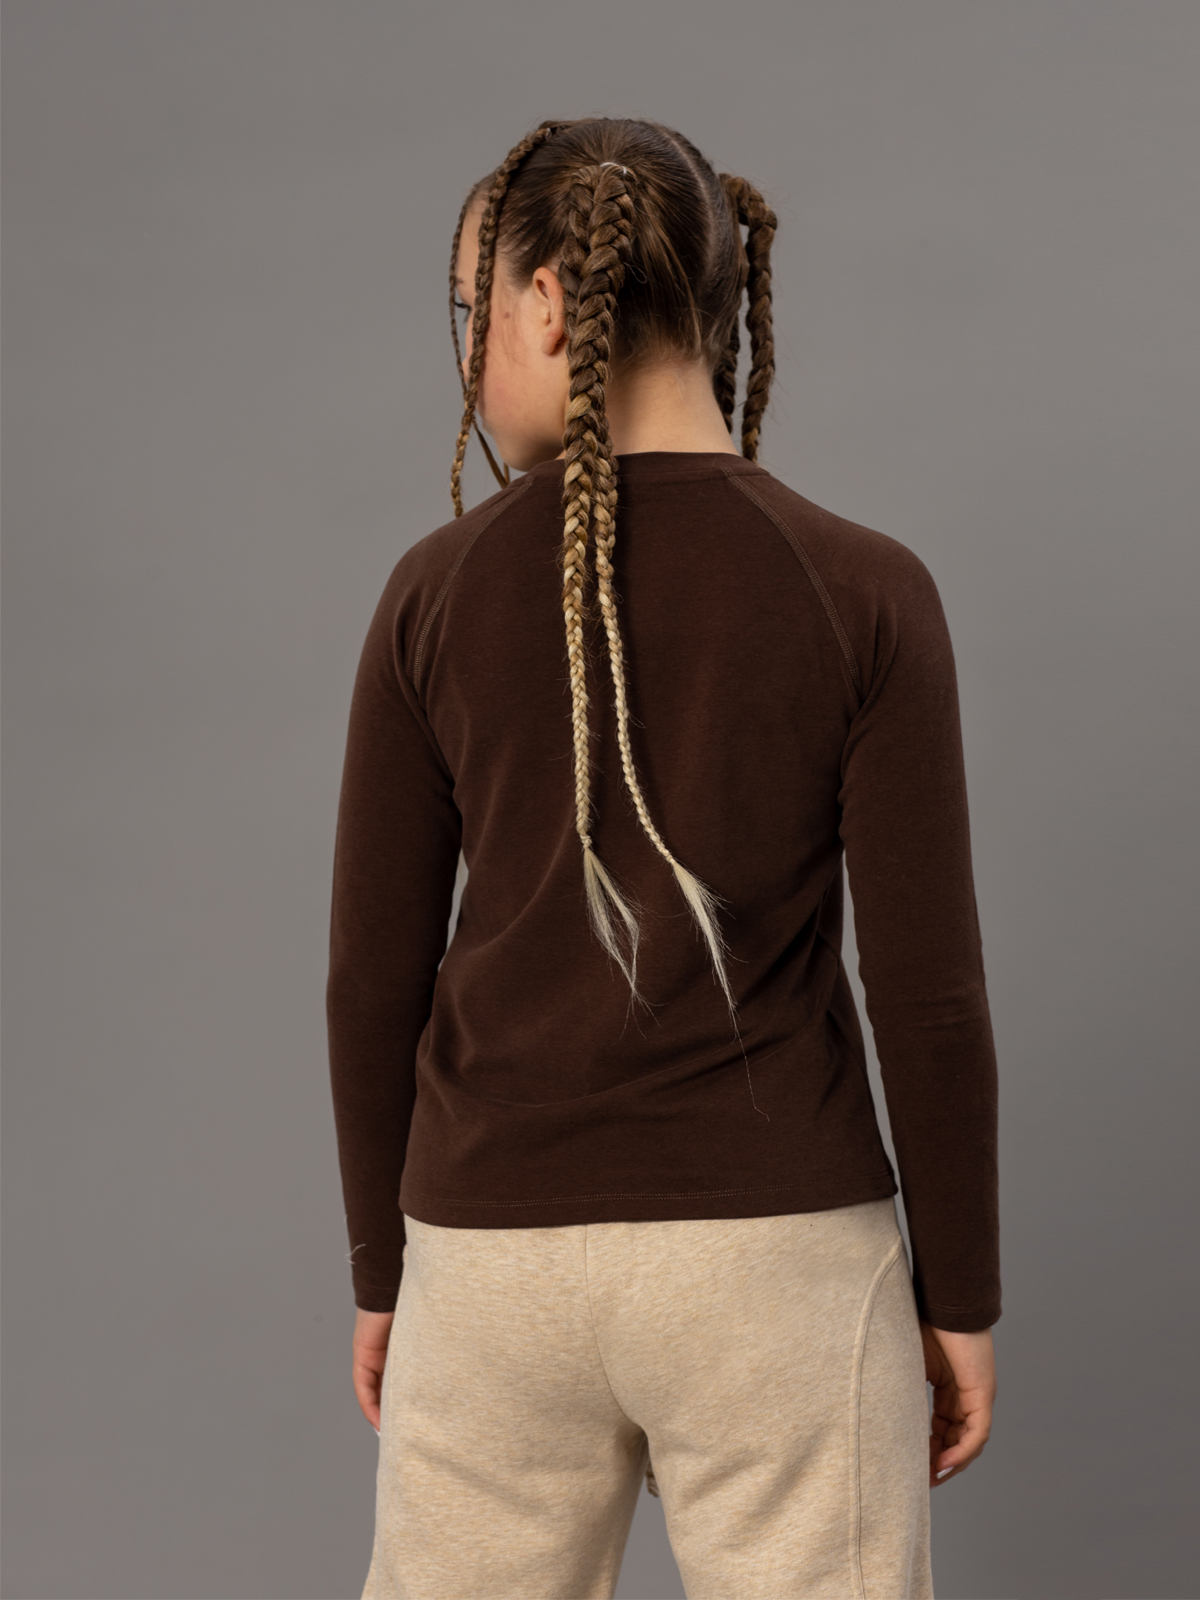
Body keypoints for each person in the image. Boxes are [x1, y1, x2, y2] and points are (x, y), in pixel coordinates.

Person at [326, 115, 1000, 1600]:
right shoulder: (865, 590)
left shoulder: (431, 594)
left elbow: (373, 981)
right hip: (777, 1261)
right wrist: (960, 1292)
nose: (463, 352)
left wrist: (385, 1270)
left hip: (491, 1260)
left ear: (546, 302)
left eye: (467, 310)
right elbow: (930, 997)